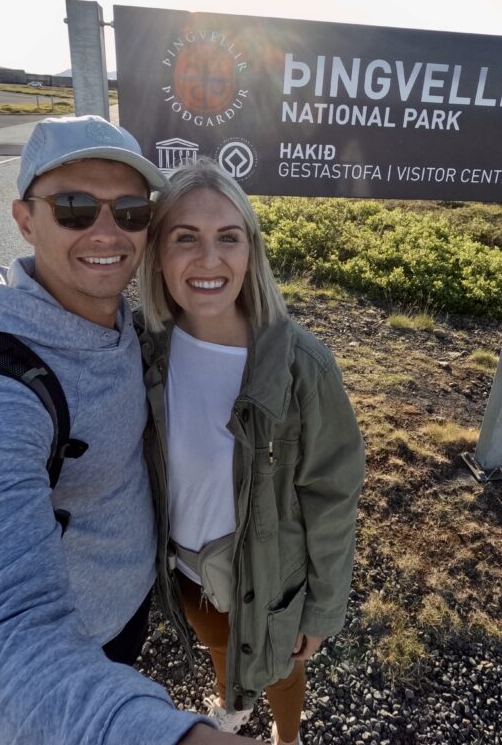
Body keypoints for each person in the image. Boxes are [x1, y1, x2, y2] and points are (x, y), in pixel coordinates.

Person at [0, 116, 255, 744]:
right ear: (25, 219)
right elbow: (5, 637)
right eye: (75, 208)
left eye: (130, 211)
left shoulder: (126, 325)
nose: (108, 232)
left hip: (133, 605)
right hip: (71, 642)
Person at [137, 160, 365, 745]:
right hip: (186, 568)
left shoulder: (299, 365)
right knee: (221, 644)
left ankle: (287, 738)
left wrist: (322, 610)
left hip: (271, 576)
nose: (209, 259)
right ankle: (231, 704)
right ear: (158, 253)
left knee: (282, 666)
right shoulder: (143, 348)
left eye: (228, 238)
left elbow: (333, 492)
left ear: (250, 253)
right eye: (185, 237)